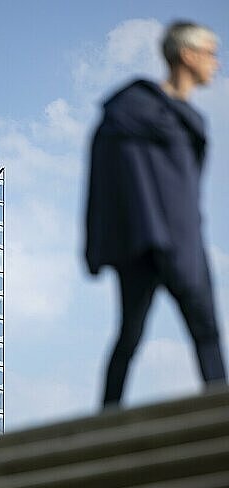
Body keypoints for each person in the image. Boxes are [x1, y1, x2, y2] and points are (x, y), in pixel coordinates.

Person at [85, 21, 227, 409]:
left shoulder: (187, 122)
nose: (217, 63)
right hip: (146, 242)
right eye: (211, 53)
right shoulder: (129, 112)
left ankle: (218, 419)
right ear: (188, 55)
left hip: (182, 240)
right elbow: (103, 180)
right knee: (134, 335)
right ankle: (106, 425)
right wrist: (98, 240)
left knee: (203, 333)